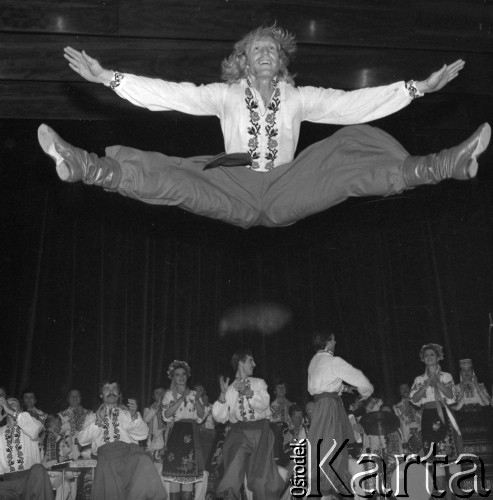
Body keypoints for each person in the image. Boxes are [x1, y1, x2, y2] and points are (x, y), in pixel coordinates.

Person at [37, 25, 490, 229]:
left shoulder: (300, 97)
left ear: (282, 61)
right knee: (176, 175)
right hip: (231, 175)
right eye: (256, 48)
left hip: (287, 184)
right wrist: (108, 78)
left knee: (349, 148)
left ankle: (441, 165)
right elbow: (170, 94)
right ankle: (89, 168)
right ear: (243, 60)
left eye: (272, 48)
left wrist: (417, 88)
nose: (266, 52)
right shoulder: (224, 94)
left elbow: (355, 103)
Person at [307, 330, 373, 497]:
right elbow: (359, 378)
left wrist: (343, 388)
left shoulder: (314, 361)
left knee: (323, 445)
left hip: (321, 405)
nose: (335, 343)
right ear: (328, 341)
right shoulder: (332, 361)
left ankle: (327, 485)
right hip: (330, 407)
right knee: (333, 445)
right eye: (333, 340)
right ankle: (336, 484)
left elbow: (322, 383)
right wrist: (365, 392)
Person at [211, 349, 284, 499]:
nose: (254, 364)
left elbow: (264, 404)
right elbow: (220, 417)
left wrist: (247, 391)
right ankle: (229, 494)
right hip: (240, 431)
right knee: (233, 465)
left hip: (260, 431)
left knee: (261, 477)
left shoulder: (258, 383)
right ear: (241, 363)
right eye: (251, 360)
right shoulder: (230, 389)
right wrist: (223, 396)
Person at [77, 379, 167, 500]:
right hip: (108, 459)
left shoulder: (126, 414)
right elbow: (82, 440)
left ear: (119, 394)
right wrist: (98, 422)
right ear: (101, 395)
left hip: (128, 457)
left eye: (114, 389)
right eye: (107, 389)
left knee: (144, 460)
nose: (111, 391)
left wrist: (135, 416)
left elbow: (143, 434)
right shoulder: (92, 416)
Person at [410, 343, 462, 497]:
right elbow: (414, 399)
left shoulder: (446, 376)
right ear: (422, 359)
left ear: (439, 357)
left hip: (444, 415)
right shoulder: (419, 379)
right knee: (435, 459)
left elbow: (452, 395)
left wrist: (437, 382)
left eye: (432, 354)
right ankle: (442, 495)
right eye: (426, 355)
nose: (429, 357)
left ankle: (457, 494)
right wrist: (427, 384)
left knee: (450, 455)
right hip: (428, 416)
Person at [161, 361, 207, 500]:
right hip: (176, 434)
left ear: (187, 376)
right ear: (173, 378)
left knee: (189, 472)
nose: (181, 377)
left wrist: (197, 400)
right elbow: (166, 415)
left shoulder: (194, 394)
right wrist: (182, 398)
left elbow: (201, 416)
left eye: (183, 374)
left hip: (191, 433)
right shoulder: (169, 395)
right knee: (175, 473)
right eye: (177, 375)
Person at [0, 396, 53, 500]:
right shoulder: (1, 431)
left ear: (21, 410)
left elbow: (35, 429)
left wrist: (12, 412)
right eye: (6, 404)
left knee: (38, 470)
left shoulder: (31, 423)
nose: (8, 405)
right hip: (6, 483)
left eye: (13, 403)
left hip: (29, 479)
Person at [58, 388, 92, 459]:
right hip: (67, 453)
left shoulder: (90, 414)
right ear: (67, 399)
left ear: (81, 398)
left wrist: (82, 416)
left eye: (77, 396)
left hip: (85, 451)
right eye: (72, 396)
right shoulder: (60, 416)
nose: (75, 398)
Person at [393, 382, 422, 454]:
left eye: (406, 387)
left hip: (421, 435)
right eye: (402, 388)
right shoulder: (396, 407)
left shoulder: (418, 403)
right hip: (407, 439)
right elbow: (399, 424)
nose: (405, 389)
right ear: (399, 392)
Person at [143, 386, 167, 467]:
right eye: (157, 393)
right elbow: (146, 420)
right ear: (153, 396)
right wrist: (157, 405)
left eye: (162, 393)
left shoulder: (169, 409)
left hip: (166, 443)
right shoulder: (149, 409)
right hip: (153, 444)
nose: (160, 395)